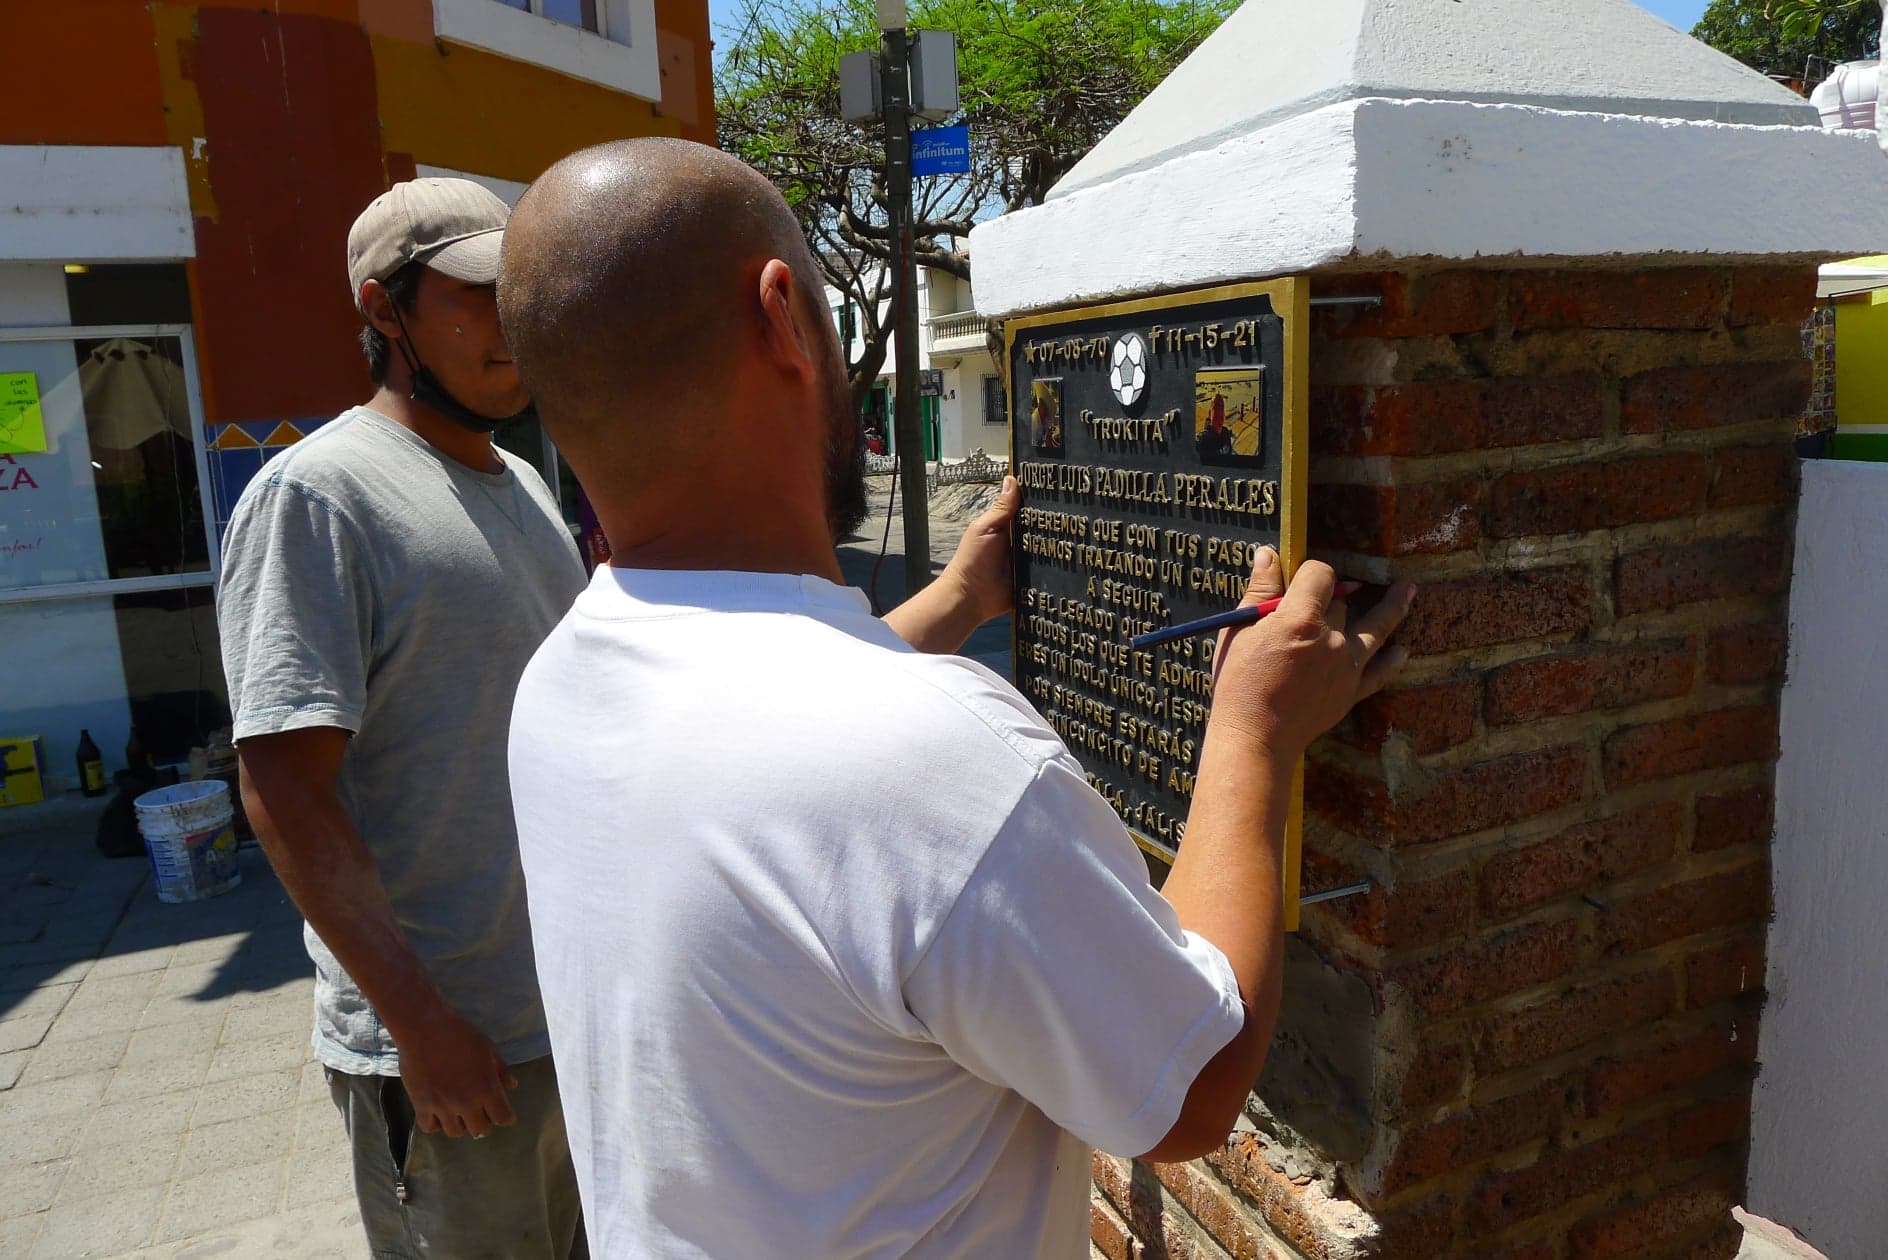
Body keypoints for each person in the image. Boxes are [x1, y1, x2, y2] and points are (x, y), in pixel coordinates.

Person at [499, 138, 1414, 1258]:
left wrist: (951, 600)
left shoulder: (558, 676)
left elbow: (749, 752)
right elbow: (1192, 1091)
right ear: (781, 315)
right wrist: (1252, 734)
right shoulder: (933, 760)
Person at [217, 178, 590, 1259]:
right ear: (386, 312)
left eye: (521, 292)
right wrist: (419, 1029)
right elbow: (285, 787)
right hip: (451, 1052)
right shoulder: (320, 496)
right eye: (477, 294)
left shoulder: (520, 481)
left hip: (563, 1016)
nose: (513, 322)